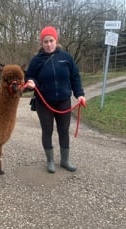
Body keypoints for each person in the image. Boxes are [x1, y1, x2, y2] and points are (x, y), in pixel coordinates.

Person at [25, 26, 86, 173]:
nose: (49, 44)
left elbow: (75, 77)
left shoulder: (66, 57)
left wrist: (80, 94)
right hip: (44, 102)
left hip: (64, 101)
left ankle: (65, 160)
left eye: (51, 40)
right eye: (45, 42)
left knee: (64, 131)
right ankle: (50, 161)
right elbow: (29, 77)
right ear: (42, 43)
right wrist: (31, 82)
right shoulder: (36, 60)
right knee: (47, 131)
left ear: (56, 40)